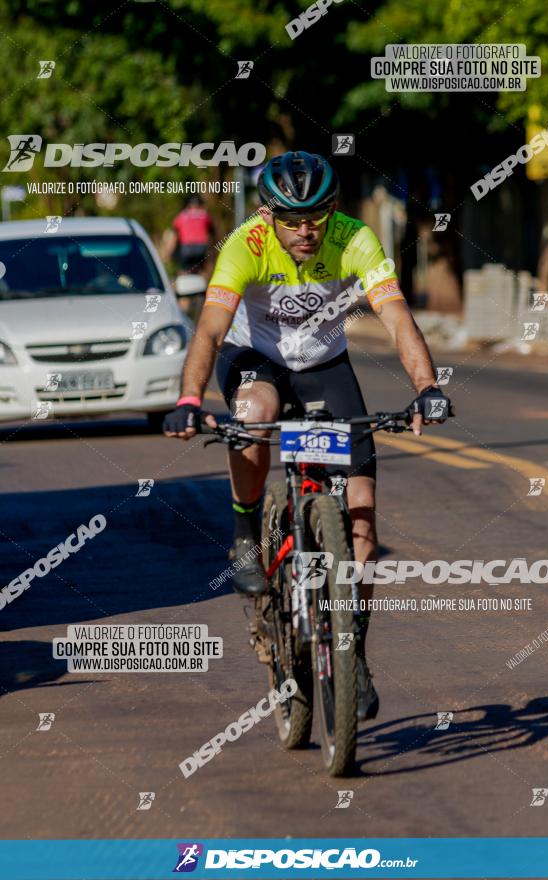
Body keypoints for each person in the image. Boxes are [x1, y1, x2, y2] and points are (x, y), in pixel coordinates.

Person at [164, 151, 452, 721]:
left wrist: (426, 386)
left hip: (323, 364)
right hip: (256, 359)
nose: (304, 230)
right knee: (256, 410)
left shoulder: (355, 239)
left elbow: (397, 318)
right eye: (290, 219)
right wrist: (190, 400)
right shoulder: (245, 246)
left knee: (363, 525)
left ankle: (353, 656)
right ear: (268, 215)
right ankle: (247, 529)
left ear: (333, 210)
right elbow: (210, 329)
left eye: (315, 216)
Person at [171, 195, 215, 273]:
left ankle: (182, 277)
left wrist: (171, 251)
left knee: (183, 269)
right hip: (201, 248)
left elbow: (175, 231)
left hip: (186, 247)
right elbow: (211, 230)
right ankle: (204, 281)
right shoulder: (204, 215)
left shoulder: (182, 215)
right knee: (202, 269)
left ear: (188, 205)